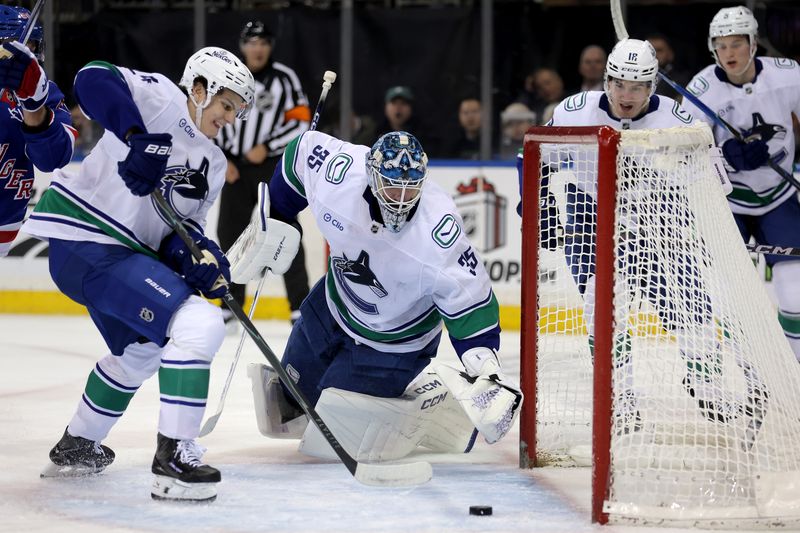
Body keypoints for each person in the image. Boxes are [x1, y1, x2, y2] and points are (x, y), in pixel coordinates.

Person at [22, 47, 256, 502]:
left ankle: (77, 445)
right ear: (201, 89)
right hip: (88, 240)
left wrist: (202, 257)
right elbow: (90, 76)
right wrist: (136, 136)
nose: (230, 116)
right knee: (198, 323)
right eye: (227, 104)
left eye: (237, 110)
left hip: (116, 257)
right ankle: (173, 460)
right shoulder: (159, 98)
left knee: (143, 350)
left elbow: (178, 234)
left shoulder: (210, 164)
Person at [249, 129, 522, 460]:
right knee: (285, 406)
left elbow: (471, 303)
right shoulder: (341, 176)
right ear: (371, 175)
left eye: (410, 189)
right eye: (392, 186)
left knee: (328, 433)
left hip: (393, 346)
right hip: (333, 308)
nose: (401, 199)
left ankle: (427, 408)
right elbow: (300, 152)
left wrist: (485, 366)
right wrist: (278, 214)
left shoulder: (437, 231)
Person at [517, 39, 746, 432]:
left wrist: (710, 202)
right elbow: (532, 155)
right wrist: (535, 204)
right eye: (619, 83)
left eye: (637, 86)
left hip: (657, 216)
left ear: (652, 86)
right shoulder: (577, 110)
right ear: (606, 79)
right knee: (599, 307)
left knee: (691, 305)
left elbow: (713, 182)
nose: (626, 96)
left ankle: (704, 380)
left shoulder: (680, 120)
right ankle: (617, 394)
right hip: (592, 214)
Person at [681, 6, 800, 362]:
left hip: (779, 197)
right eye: (721, 45)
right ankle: (744, 368)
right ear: (711, 47)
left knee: (795, 290)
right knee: (727, 294)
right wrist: (723, 154)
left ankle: (795, 373)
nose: (729, 53)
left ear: (753, 43)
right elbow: (682, 156)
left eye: (737, 44)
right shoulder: (701, 90)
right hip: (726, 202)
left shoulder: (789, 76)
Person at [215, 20, 311, 325]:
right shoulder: (226, 75)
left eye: (263, 43)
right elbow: (211, 114)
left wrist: (267, 147)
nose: (258, 49)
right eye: (252, 42)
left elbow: (300, 121)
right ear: (243, 46)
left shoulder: (284, 78)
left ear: (270, 47)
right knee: (229, 235)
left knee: (285, 231)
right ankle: (231, 304)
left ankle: (299, 307)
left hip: (271, 168)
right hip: (234, 169)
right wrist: (221, 158)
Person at [0, 5, 75, 257]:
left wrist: (34, 106)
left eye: (34, 46)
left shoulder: (46, 92)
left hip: (4, 219)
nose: (31, 54)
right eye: (25, 45)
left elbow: (54, 159)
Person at [646, 33, 691, 100]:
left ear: (670, 54)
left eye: (659, 50)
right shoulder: (634, 76)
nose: (654, 55)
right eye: (650, 51)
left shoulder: (681, 81)